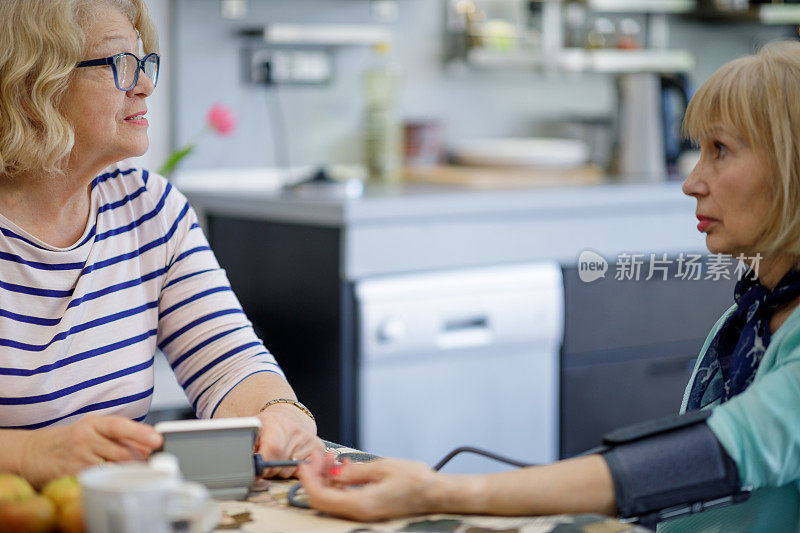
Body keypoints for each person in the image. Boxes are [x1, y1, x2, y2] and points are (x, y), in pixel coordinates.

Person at [298, 40, 800, 531]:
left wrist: (441, 491)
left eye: (720, 150)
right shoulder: (754, 313)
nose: (691, 182)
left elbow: (718, 452)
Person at [0, 0, 323, 487]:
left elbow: (231, 363)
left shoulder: (149, 208)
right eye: (119, 64)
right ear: (31, 83)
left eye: (143, 61)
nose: (146, 83)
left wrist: (277, 412)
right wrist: (29, 452)